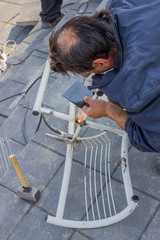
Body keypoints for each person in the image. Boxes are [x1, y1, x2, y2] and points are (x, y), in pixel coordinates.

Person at [48, 0, 160, 167]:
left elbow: (150, 139)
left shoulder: (138, 89)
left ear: (101, 63)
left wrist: (109, 109)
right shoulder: (122, 4)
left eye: (85, 72)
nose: (86, 75)